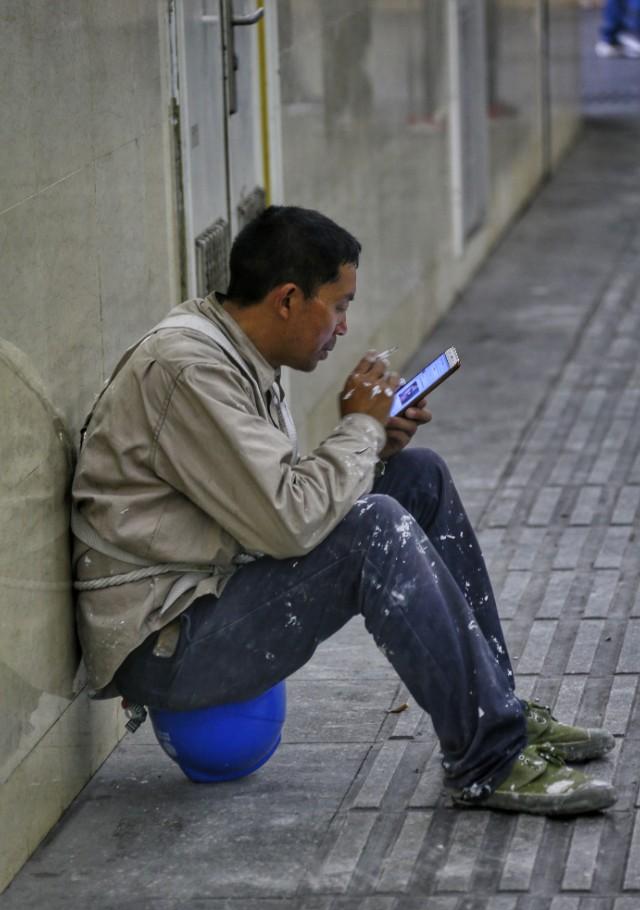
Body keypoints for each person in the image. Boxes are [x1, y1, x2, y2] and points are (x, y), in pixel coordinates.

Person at [72, 206, 617, 816]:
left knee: (417, 477)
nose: (343, 327)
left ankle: (500, 710)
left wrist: (375, 445)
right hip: (168, 644)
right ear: (286, 300)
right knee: (374, 529)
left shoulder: (235, 353)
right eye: (338, 306)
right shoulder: (187, 368)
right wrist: (360, 427)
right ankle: (490, 762)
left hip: (212, 593)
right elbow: (288, 521)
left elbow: (271, 500)